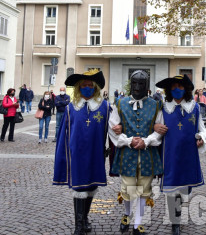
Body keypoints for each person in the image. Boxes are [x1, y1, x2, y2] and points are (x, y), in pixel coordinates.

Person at [53, 69, 110, 235]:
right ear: (79, 88)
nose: (87, 88)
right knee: (79, 188)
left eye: (90, 85)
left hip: (95, 154)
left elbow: (114, 130)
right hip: (76, 154)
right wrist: (63, 156)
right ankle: (78, 225)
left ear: (95, 88)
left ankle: (85, 219)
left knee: (91, 187)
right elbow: (64, 133)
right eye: (84, 85)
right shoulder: (71, 108)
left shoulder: (104, 107)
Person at [152, 74, 206, 235]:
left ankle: (178, 212)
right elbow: (157, 128)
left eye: (180, 86)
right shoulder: (164, 107)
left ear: (186, 89)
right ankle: (175, 222)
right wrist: (155, 128)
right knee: (171, 188)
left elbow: (202, 130)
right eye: (174, 87)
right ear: (170, 89)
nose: (177, 89)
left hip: (188, 155)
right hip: (170, 155)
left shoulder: (194, 107)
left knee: (185, 190)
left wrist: (202, 139)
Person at [109, 70, 163, 235]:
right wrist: (128, 140)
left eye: (141, 83)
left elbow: (160, 129)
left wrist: (146, 141)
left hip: (148, 154)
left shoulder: (156, 106)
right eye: (135, 83)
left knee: (144, 188)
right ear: (130, 84)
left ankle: (137, 224)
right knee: (128, 188)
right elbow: (113, 128)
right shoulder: (120, 103)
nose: (137, 87)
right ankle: (126, 214)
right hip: (127, 153)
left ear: (147, 86)